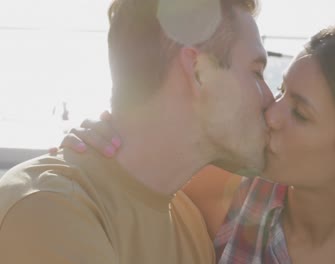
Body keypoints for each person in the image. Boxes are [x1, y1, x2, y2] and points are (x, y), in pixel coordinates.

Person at [64, 22, 335, 263]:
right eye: (280, 90)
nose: (270, 115)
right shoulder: (231, 200)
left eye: (300, 113)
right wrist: (109, 138)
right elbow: (133, 170)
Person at [0, 0, 274, 263]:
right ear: (199, 72)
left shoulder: (189, 225)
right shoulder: (48, 210)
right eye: (257, 72)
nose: (271, 101)